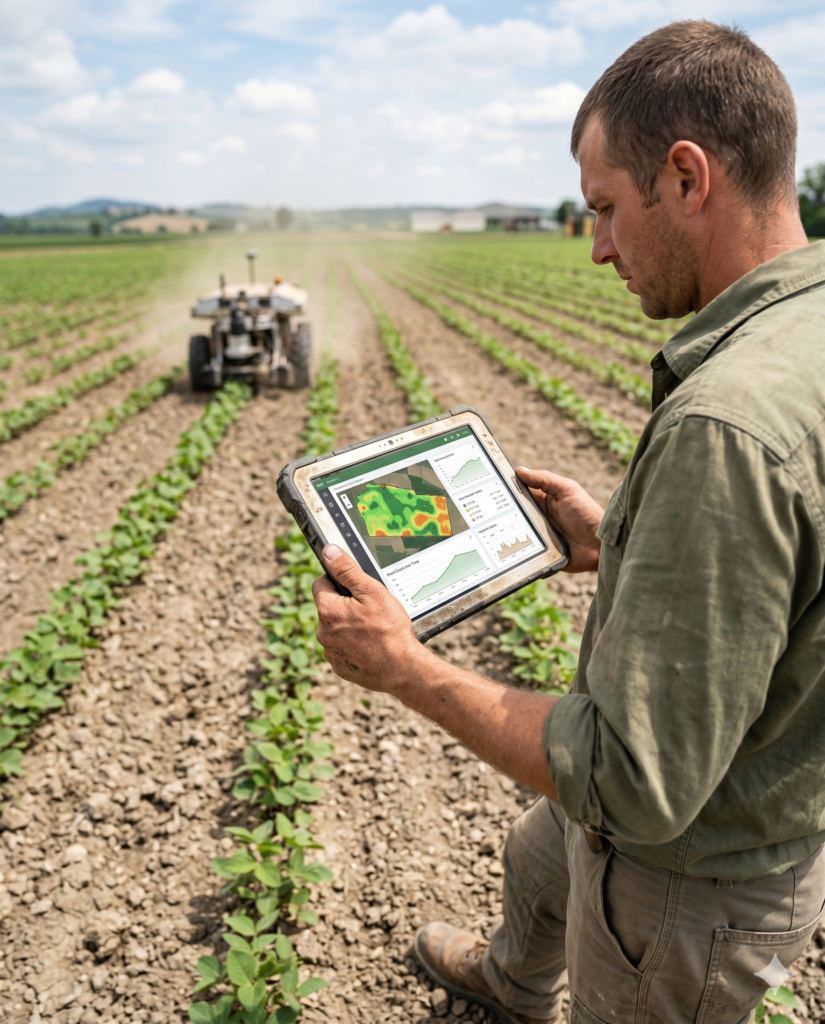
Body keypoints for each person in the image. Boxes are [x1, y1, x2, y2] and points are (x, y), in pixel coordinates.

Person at [312, 21, 825, 1024]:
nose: (594, 247)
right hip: (767, 783)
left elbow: (635, 784)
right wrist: (623, 535)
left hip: (686, 886)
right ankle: (511, 981)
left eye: (603, 208)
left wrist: (405, 665)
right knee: (538, 853)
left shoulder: (727, 426)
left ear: (686, 178)